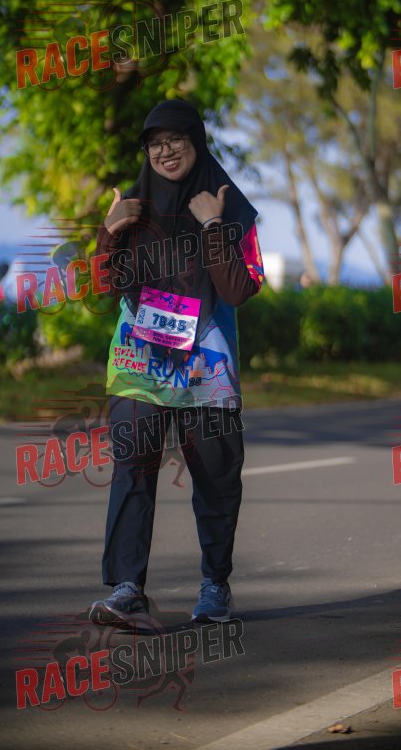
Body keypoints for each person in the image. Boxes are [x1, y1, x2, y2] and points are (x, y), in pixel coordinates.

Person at [89, 99, 264, 626]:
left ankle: (215, 586)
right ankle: (127, 590)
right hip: (139, 358)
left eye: (176, 140)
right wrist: (109, 231)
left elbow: (238, 290)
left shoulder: (231, 208)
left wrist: (212, 226)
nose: (165, 151)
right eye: (154, 144)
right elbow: (102, 291)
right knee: (133, 466)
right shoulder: (132, 208)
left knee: (215, 474)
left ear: (197, 141)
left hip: (207, 360)